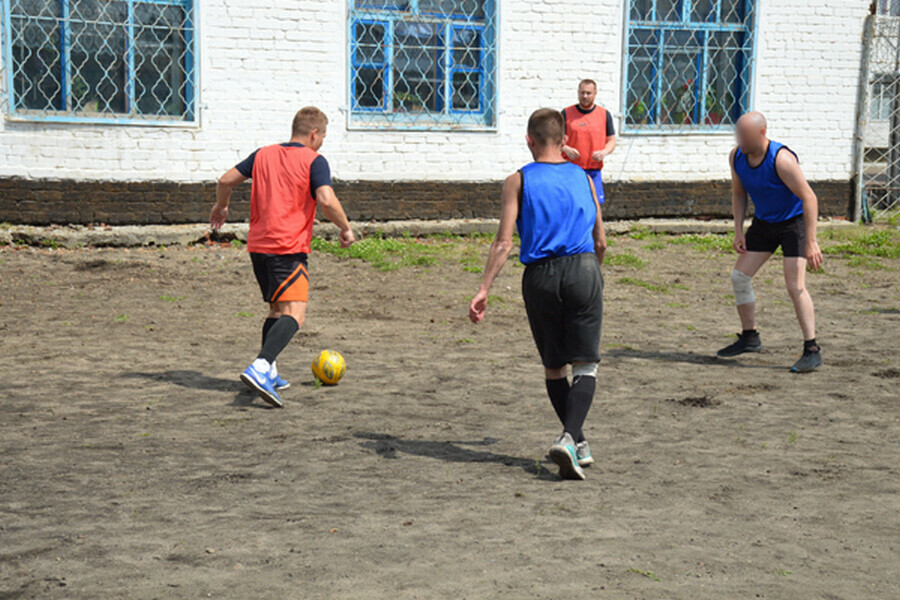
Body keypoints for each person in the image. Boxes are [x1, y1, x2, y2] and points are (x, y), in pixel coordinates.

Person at [469, 108, 607, 480]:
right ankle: (570, 438)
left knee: (553, 367)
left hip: (540, 278)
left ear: (529, 140)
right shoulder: (584, 176)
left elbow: (503, 243)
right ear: (564, 141)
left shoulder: (517, 181)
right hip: (582, 268)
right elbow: (601, 240)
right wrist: (594, 275)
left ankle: (576, 442)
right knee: (586, 365)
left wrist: (484, 289)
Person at [210, 106, 356, 407]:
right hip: (287, 249)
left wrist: (222, 207)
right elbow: (326, 199)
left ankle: (271, 370)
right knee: (294, 315)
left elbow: (225, 181)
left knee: (277, 311)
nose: (322, 143)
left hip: (259, 247)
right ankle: (261, 367)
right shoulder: (315, 161)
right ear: (314, 134)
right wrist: (345, 228)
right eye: (323, 137)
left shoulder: (262, 154)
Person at [718, 111, 824, 373]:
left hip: (793, 223)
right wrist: (738, 231)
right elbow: (738, 193)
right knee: (739, 277)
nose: (740, 139)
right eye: (738, 133)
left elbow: (809, 198)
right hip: (765, 223)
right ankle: (750, 336)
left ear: (762, 133)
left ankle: (812, 349)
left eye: (745, 134)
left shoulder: (781, 159)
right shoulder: (737, 157)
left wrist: (811, 242)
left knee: (795, 285)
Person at [561, 79, 617, 205]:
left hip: (594, 171)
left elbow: (612, 140)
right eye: (582, 93)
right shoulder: (566, 113)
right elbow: (555, 139)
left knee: (594, 206)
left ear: (595, 94)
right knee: (571, 205)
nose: (585, 96)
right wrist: (566, 149)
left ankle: (594, 226)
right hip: (571, 169)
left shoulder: (604, 114)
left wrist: (604, 152)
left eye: (588, 93)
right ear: (578, 93)